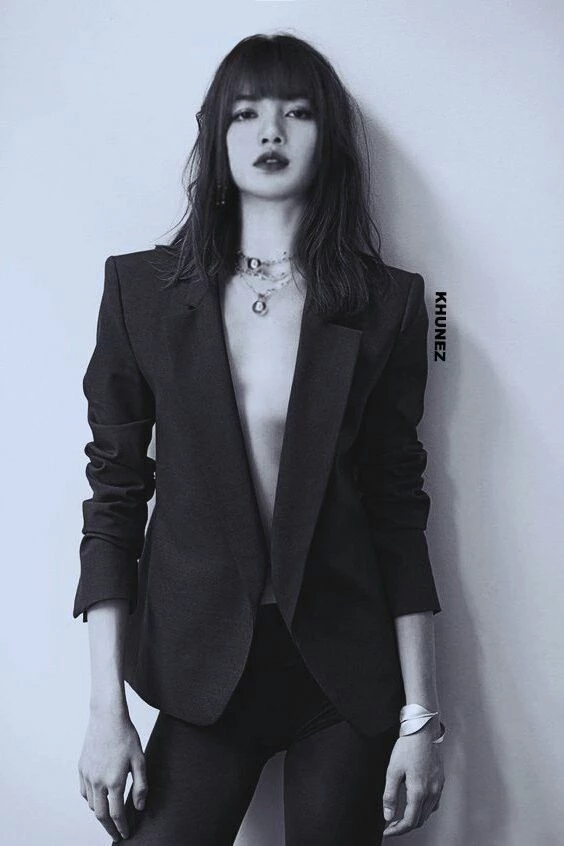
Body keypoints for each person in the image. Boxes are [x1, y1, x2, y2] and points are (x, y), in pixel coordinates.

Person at [74, 32, 446, 845]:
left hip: (343, 680)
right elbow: (113, 500)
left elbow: (398, 508)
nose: (270, 131)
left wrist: (421, 716)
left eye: (296, 112)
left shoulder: (389, 304)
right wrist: (107, 711)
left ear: (328, 137)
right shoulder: (142, 292)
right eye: (245, 113)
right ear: (216, 134)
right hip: (201, 676)